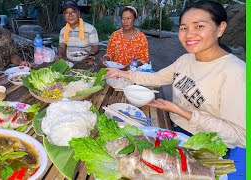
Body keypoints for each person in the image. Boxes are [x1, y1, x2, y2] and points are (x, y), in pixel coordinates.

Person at [105, 1, 245, 149]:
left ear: (220, 28)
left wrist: (184, 113)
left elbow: (241, 136)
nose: (189, 34)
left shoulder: (234, 72)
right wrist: (121, 73)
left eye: (199, 26)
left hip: (205, 146)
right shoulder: (185, 60)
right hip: (173, 129)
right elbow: (156, 78)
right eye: (184, 28)